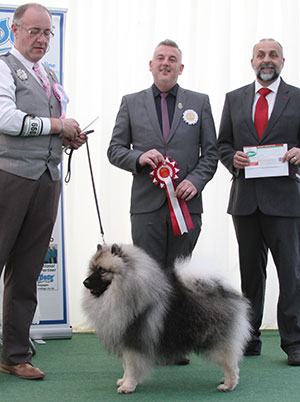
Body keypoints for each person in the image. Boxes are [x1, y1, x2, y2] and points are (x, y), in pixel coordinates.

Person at [0, 3, 84, 379]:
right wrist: (56, 124)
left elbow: (48, 125)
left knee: (28, 271)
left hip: (47, 180)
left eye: (47, 33)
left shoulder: (48, 75)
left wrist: (69, 136)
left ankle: (15, 354)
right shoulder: (3, 66)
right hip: (10, 178)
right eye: (34, 31)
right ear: (14, 30)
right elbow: (6, 119)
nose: (42, 39)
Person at [218, 38, 300, 366]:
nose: (267, 60)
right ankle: (248, 338)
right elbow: (223, 143)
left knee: (291, 273)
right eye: (261, 55)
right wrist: (231, 158)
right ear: (252, 61)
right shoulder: (234, 99)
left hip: (285, 201)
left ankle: (294, 342)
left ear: (283, 60)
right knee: (251, 273)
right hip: (245, 202)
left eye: (273, 55)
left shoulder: (297, 98)